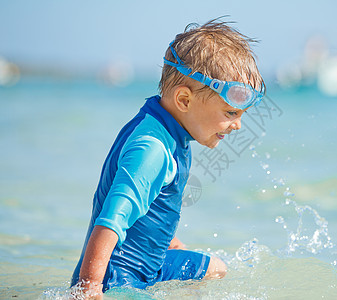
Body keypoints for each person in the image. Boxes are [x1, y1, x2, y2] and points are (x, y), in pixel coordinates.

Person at [70, 18, 265, 299]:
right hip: (119, 276)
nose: (238, 125)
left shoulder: (170, 130)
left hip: (153, 264)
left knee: (216, 268)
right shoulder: (151, 148)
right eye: (230, 113)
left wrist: (170, 243)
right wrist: (89, 289)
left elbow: (149, 206)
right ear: (184, 101)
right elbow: (110, 221)